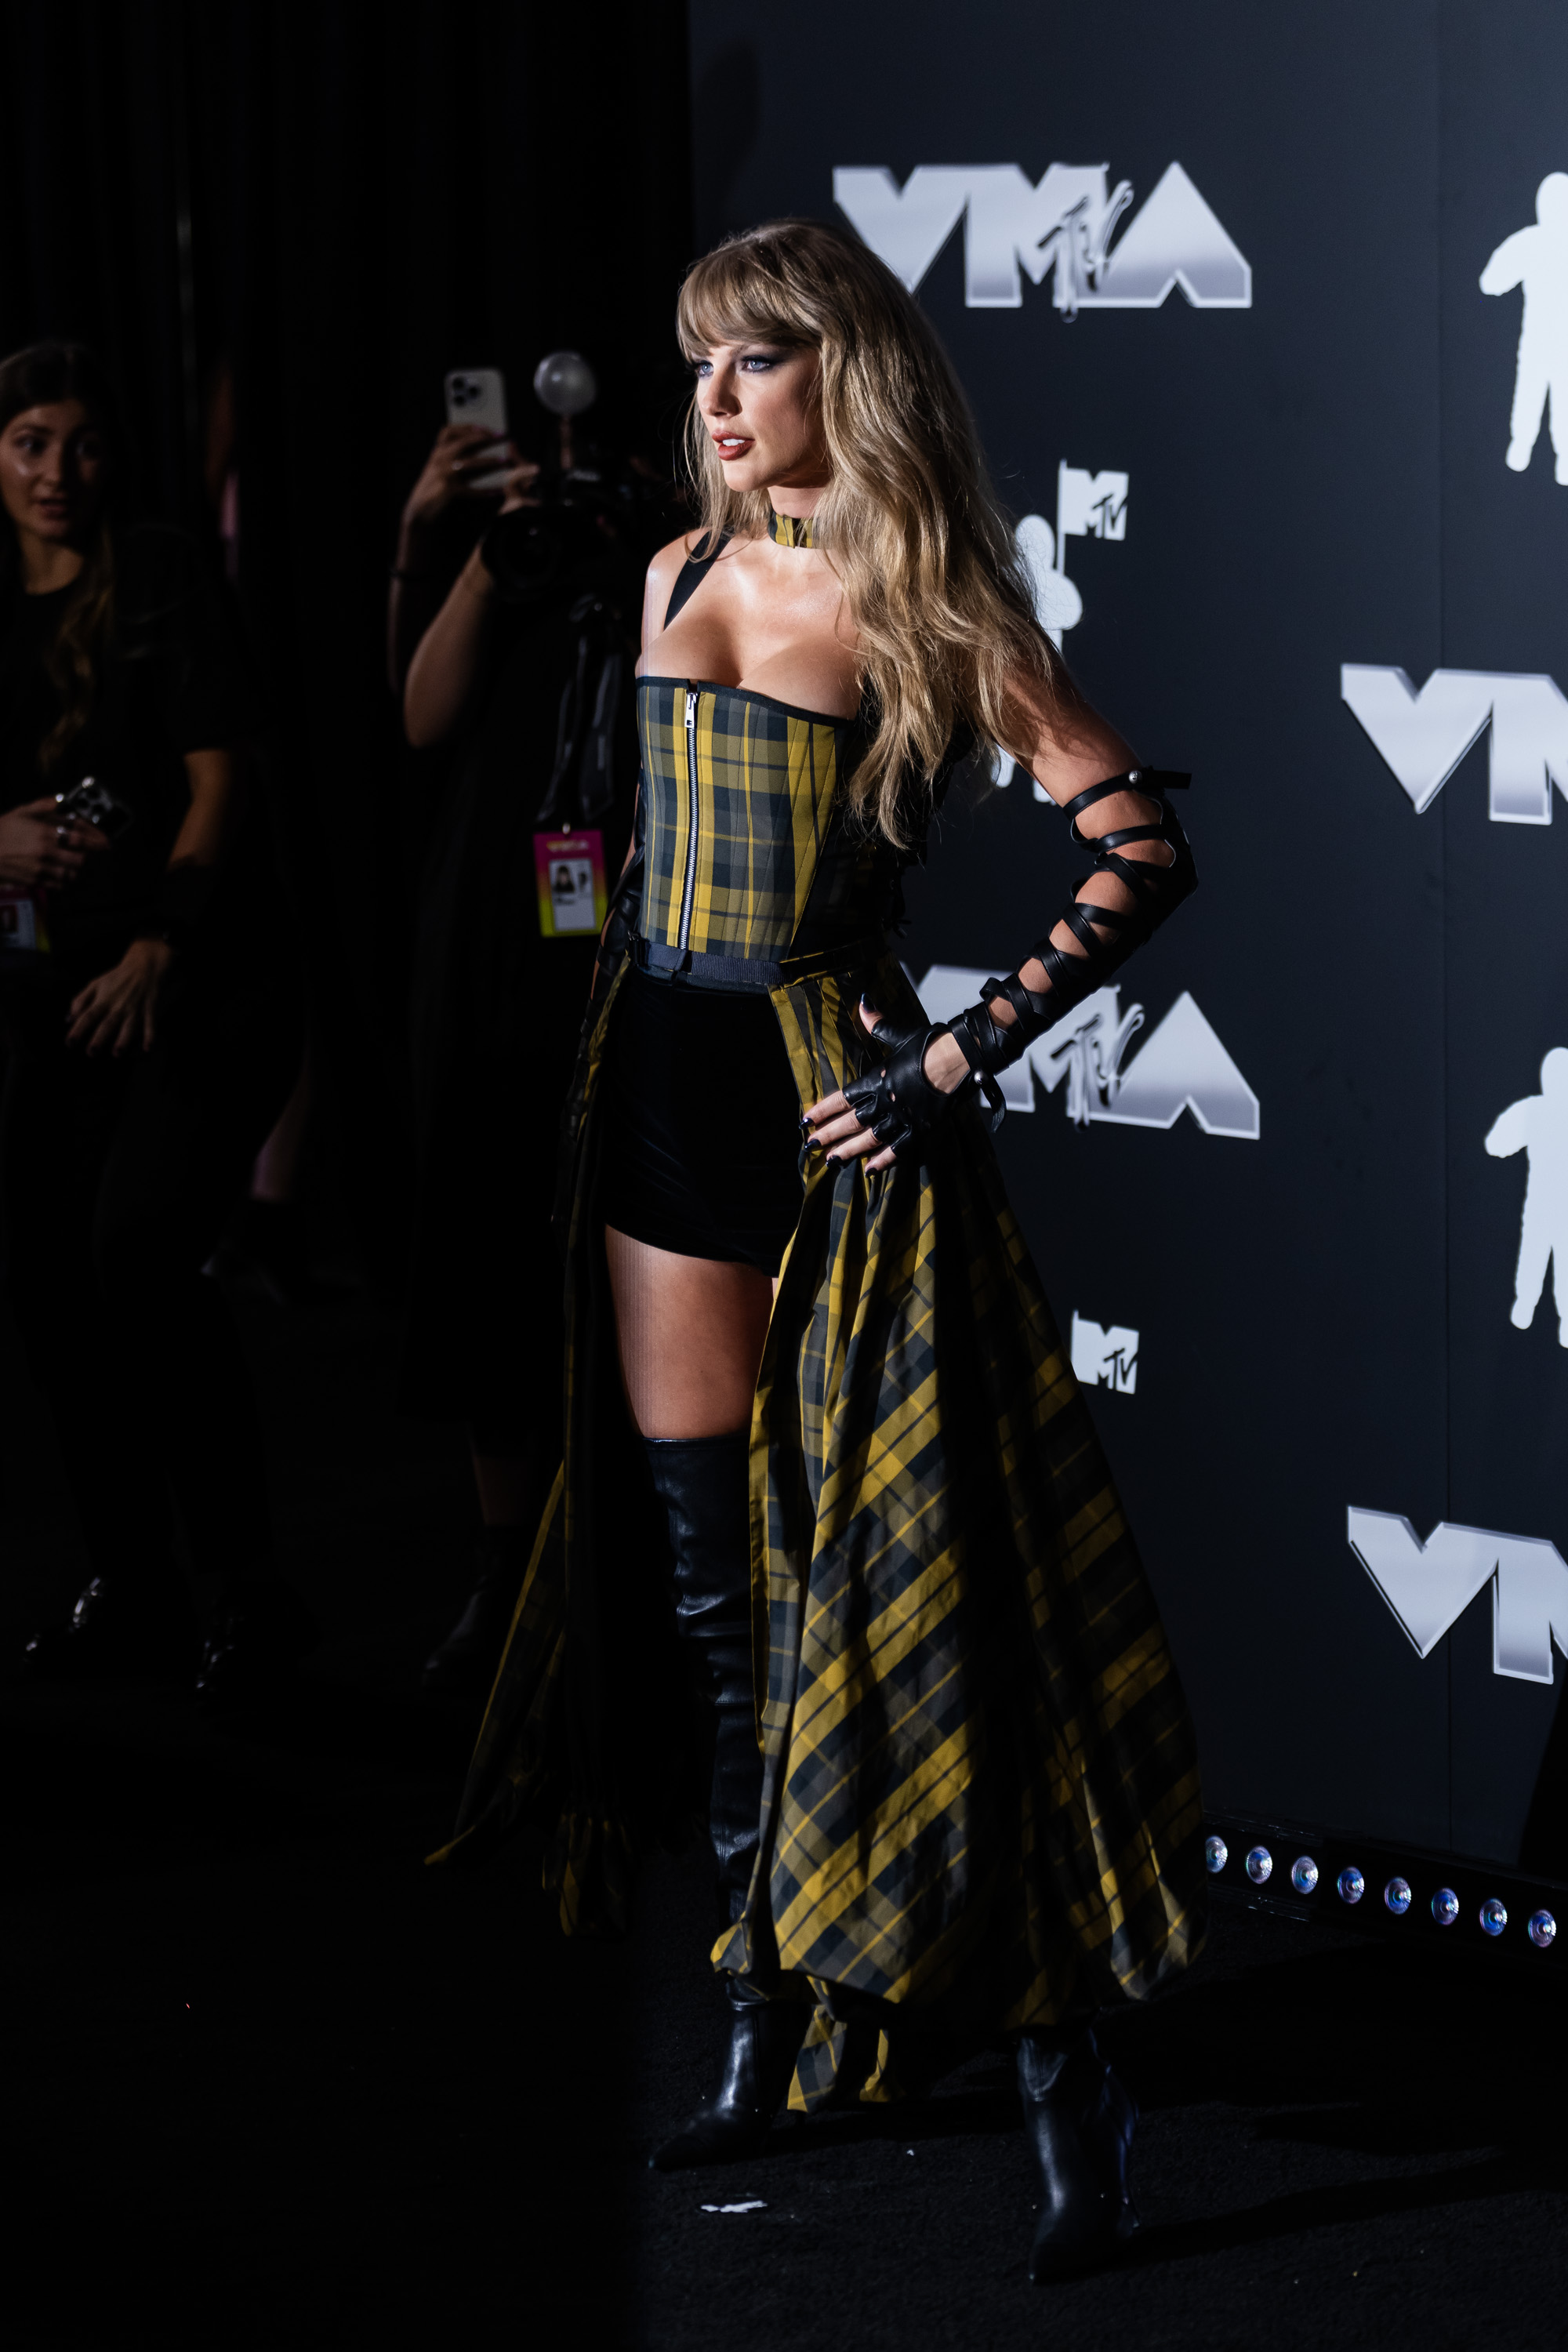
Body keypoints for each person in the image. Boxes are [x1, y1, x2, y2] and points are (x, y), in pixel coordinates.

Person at [434, 222, 1207, 2281]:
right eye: (695, 358)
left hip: (829, 1105)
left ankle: (1070, 2092)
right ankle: (768, 2021)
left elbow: (1145, 845)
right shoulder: (672, 575)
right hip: (652, 1095)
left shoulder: (921, 596)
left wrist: (954, 1054)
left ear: (836, 373)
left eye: (750, 357)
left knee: (929, 1584)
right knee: (718, 1608)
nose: (710, 393)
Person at [0, 341, 307, 1697]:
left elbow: (217, 781)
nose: (57, 472)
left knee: (138, 1253)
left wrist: (157, 944)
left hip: (196, 980)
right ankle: (133, 1585)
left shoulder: (161, 569)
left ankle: (250, 1595)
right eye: (28, 443)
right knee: (51, 1287)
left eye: (78, 443)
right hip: (44, 996)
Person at [389, 396, 657, 1701]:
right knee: (491, 1248)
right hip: (499, 941)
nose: (561, 475)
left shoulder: (678, 555)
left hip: (640, 939)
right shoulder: (502, 560)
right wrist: (460, 552)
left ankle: (635, 1572)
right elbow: (424, 719)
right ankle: (505, 1577)